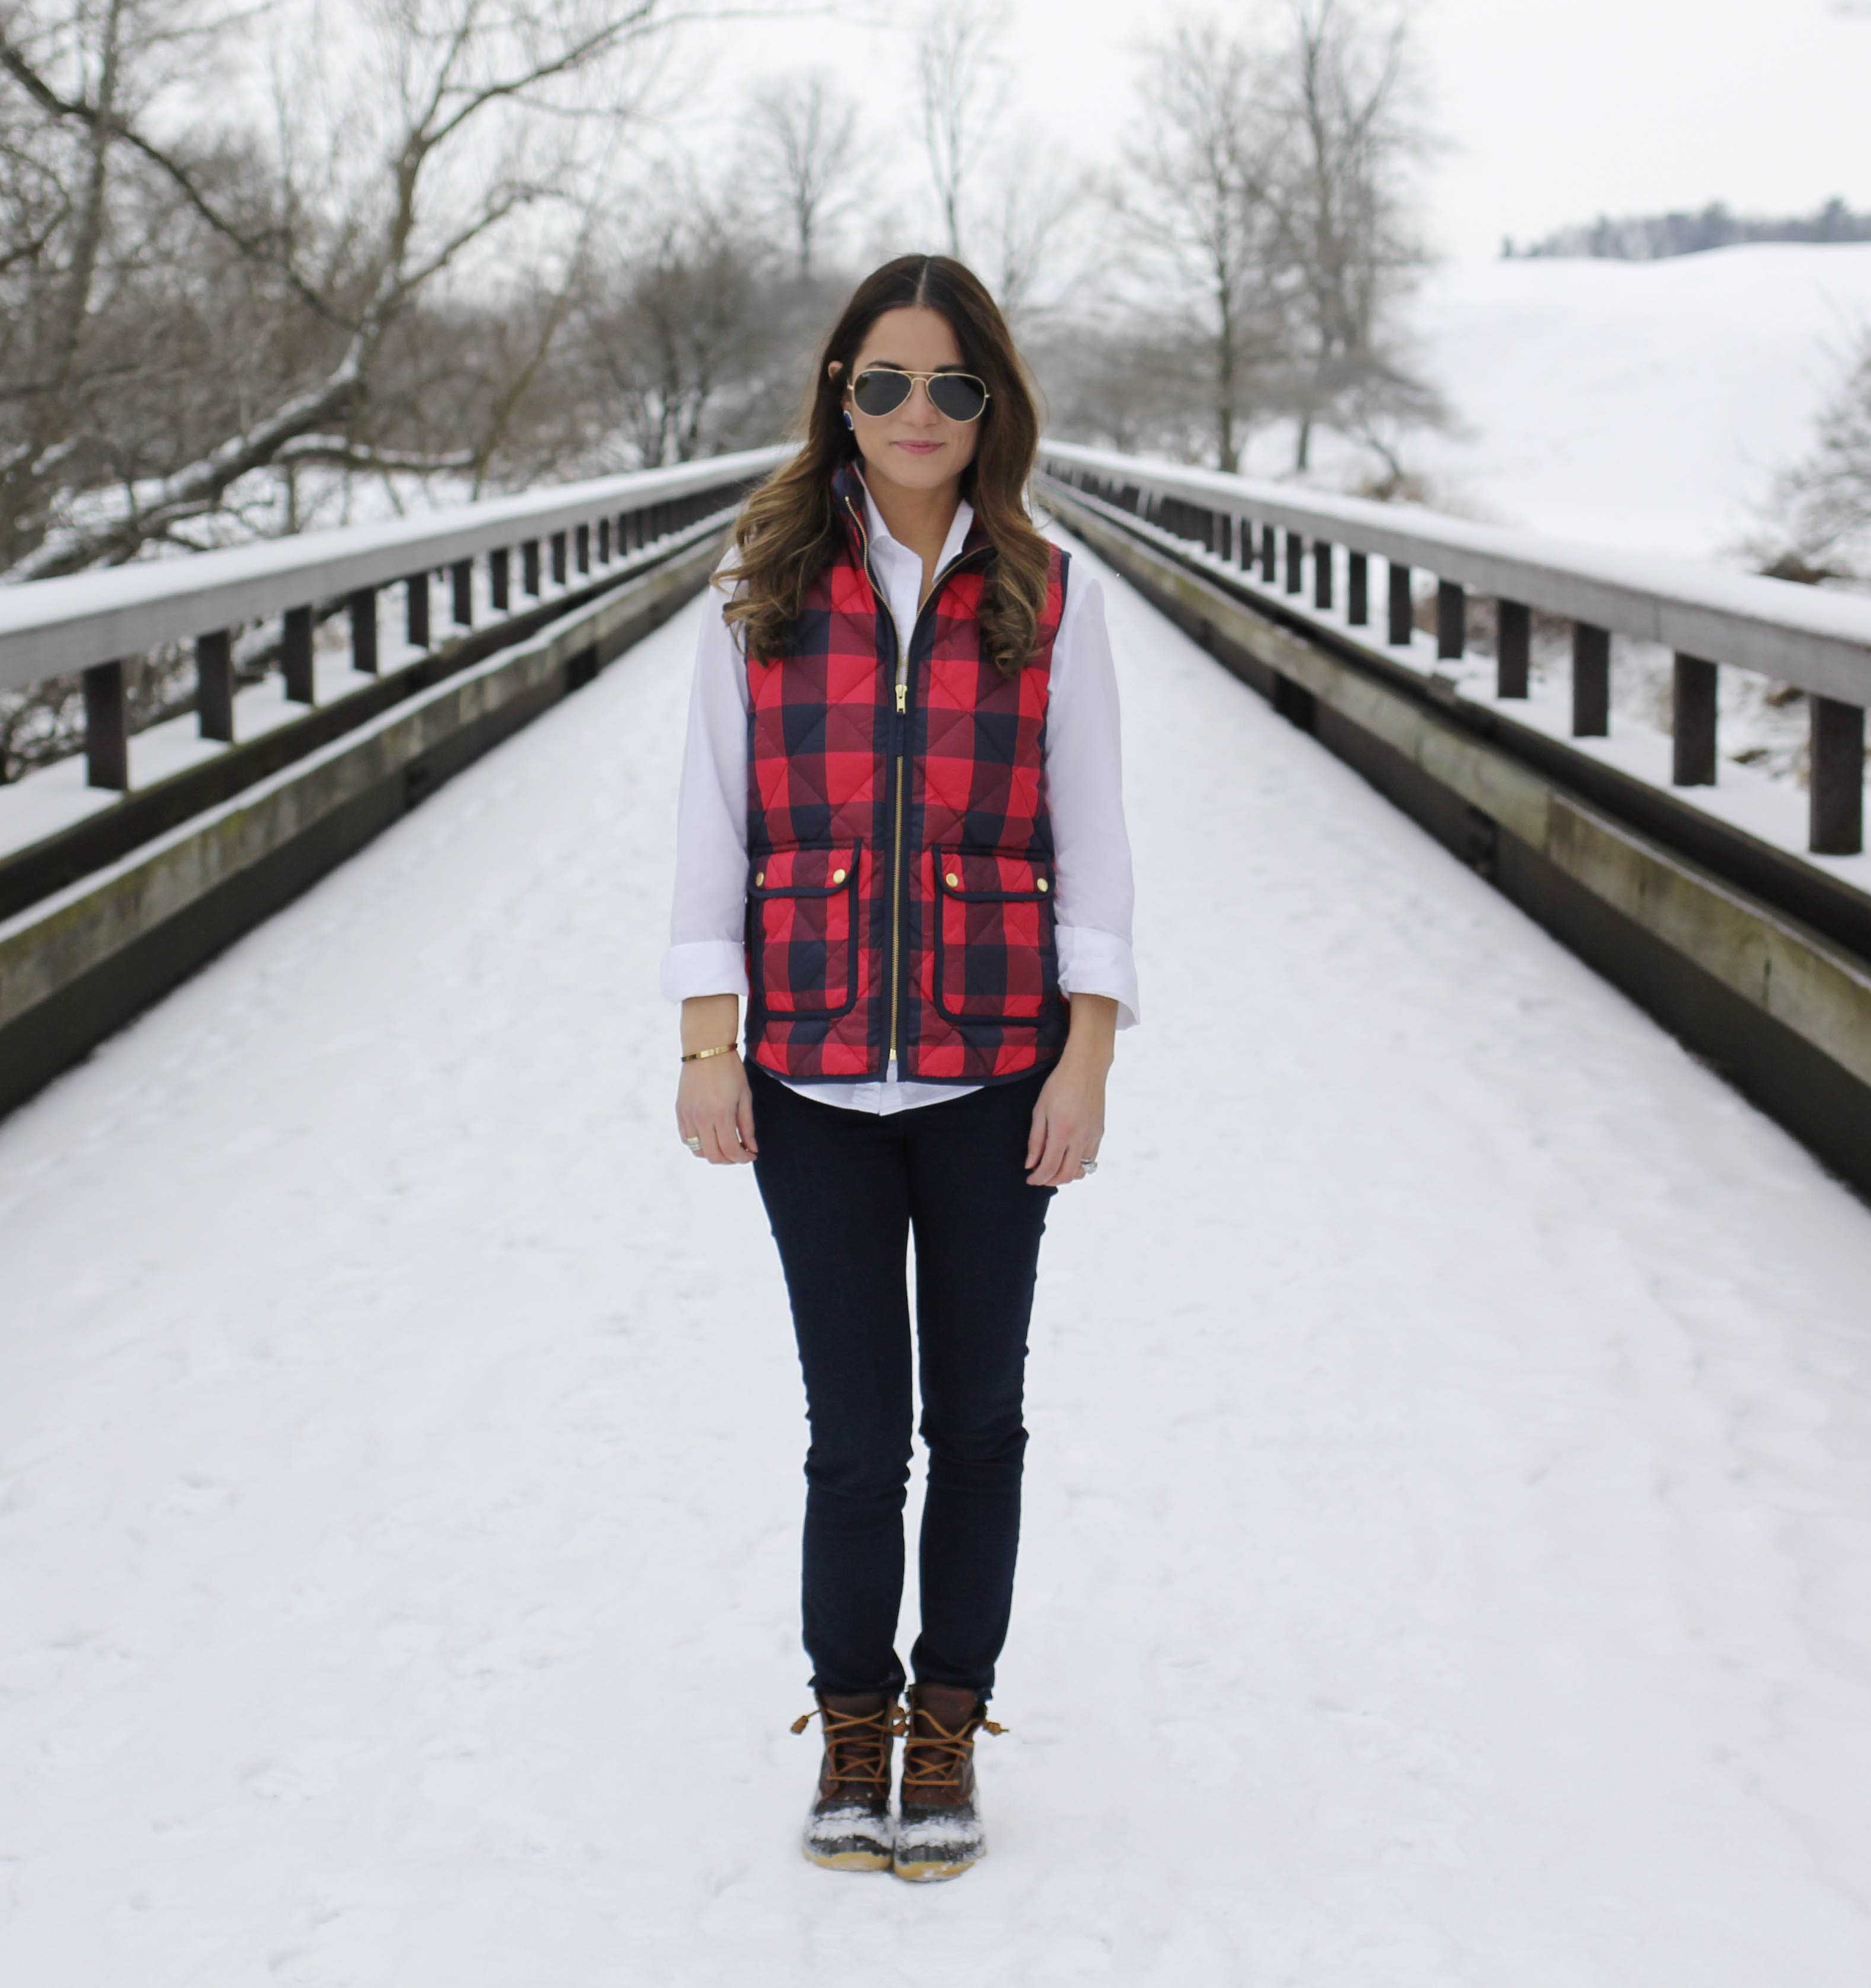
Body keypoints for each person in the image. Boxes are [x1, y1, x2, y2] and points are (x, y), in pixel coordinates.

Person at [662, 253, 1138, 1882]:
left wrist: (1085, 1060)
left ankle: (948, 1725)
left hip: (995, 1071)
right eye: (883, 384)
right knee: (856, 1435)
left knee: (981, 1421)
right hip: (806, 1078)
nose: (916, 413)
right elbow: (708, 829)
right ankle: (849, 1727)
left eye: (950, 386)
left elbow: (1098, 847)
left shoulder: (1050, 593)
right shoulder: (764, 587)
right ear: (836, 397)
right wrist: (706, 1043)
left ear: (989, 406)